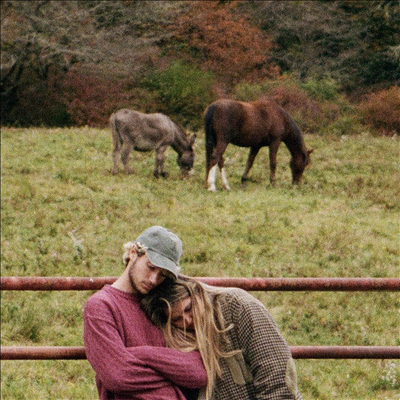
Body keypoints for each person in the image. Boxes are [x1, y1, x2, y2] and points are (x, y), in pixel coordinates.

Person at [83, 226, 207, 400]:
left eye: (163, 274)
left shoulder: (163, 304)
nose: (154, 279)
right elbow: (117, 375)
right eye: (151, 267)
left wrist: (137, 354)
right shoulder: (101, 306)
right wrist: (172, 387)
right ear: (133, 253)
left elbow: (198, 371)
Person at [142, 275, 303, 400]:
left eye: (189, 308)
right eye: (176, 319)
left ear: (197, 291)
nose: (187, 321)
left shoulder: (238, 306)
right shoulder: (178, 336)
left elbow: (276, 373)